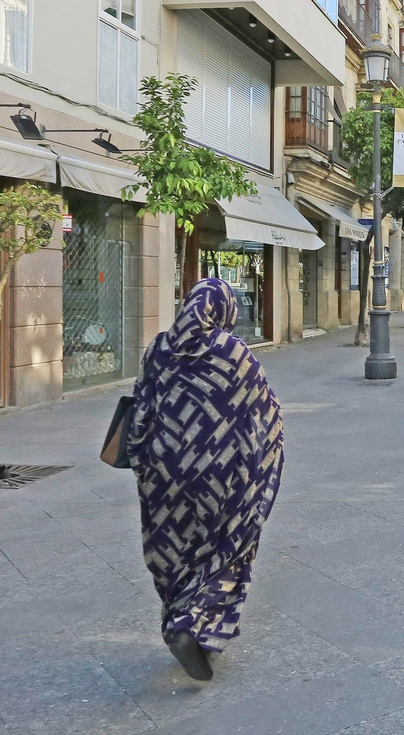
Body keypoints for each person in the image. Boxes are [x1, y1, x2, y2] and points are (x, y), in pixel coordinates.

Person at [126, 279, 284, 682]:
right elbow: (265, 410)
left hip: (165, 473)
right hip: (220, 475)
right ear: (224, 310)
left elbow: (141, 411)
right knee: (227, 545)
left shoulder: (158, 348)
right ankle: (192, 622)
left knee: (174, 544)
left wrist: (143, 461)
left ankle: (178, 611)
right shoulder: (233, 351)